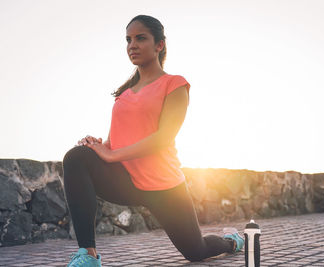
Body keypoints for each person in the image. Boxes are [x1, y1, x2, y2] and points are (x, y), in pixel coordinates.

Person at [62, 14, 244, 267]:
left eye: (140, 38)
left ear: (159, 45)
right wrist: (99, 146)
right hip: (127, 179)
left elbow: (163, 138)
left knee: (196, 250)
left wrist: (111, 154)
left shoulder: (175, 84)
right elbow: (116, 142)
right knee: (76, 157)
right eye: (128, 40)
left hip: (165, 187)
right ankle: (88, 256)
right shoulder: (123, 95)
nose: (132, 45)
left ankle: (232, 241)